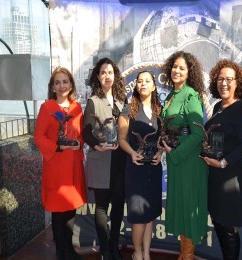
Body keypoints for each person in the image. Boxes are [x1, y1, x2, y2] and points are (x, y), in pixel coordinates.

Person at [200, 60, 242, 259]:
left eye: (229, 79)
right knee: (219, 223)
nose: (224, 83)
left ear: (237, 83)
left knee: (229, 227)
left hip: (231, 176)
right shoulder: (217, 108)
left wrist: (224, 162)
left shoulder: (241, 109)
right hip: (215, 174)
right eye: (220, 79)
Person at [159, 51, 208, 259]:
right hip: (175, 161)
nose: (176, 71)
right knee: (180, 208)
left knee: (189, 209)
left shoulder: (191, 95)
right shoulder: (171, 95)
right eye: (174, 66)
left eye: (182, 68)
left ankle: (187, 257)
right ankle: (183, 255)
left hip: (188, 163)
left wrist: (176, 153)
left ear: (189, 73)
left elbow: (198, 134)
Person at [34, 67, 86, 260]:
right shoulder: (47, 108)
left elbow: (81, 135)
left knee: (71, 209)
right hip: (56, 166)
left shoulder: (77, 108)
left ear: (71, 84)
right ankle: (61, 253)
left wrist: (78, 143)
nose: (62, 85)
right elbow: (39, 137)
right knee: (58, 211)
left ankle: (70, 249)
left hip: (73, 166)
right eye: (58, 82)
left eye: (65, 81)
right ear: (53, 87)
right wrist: (58, 147)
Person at [82, 57, 127, 260]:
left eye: (110, 72)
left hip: (120, 161)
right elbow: (86, 132)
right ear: (98, 77)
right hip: (101, 160)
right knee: (101, 207)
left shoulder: (123, 101)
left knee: (118, 205)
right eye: (103, 72)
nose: (107, 75)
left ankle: (114, 244)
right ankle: (105, 248)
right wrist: (97, 145)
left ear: (115, 75)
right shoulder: (93, 102)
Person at [118, 71, 163, 260]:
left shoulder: (160, 110)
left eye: (147, 81)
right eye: (139, 81)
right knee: (139, 217)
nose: (142, 84)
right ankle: (137, 253)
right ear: (136, 86)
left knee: (150, 214)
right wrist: (132, 153)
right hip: (135, 169)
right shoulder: (128, 109)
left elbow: (162, 140)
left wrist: (161, 153)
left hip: (153, 169)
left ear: (154, 86)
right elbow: (121, 139)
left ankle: (146, 252)